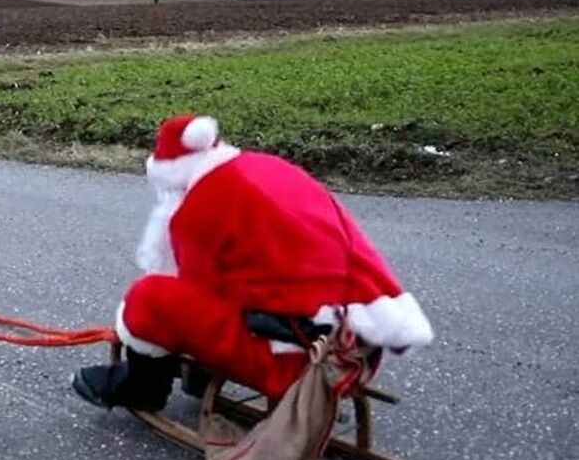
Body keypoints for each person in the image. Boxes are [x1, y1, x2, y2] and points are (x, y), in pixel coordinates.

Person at [73, 114, 434, 411]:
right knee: (241, 282)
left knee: (150, 297)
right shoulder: (269, 169)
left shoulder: (201, 205)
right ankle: (198, 380)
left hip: (291, 361)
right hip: (355, 346)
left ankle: (142, 389)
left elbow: (198, 288)